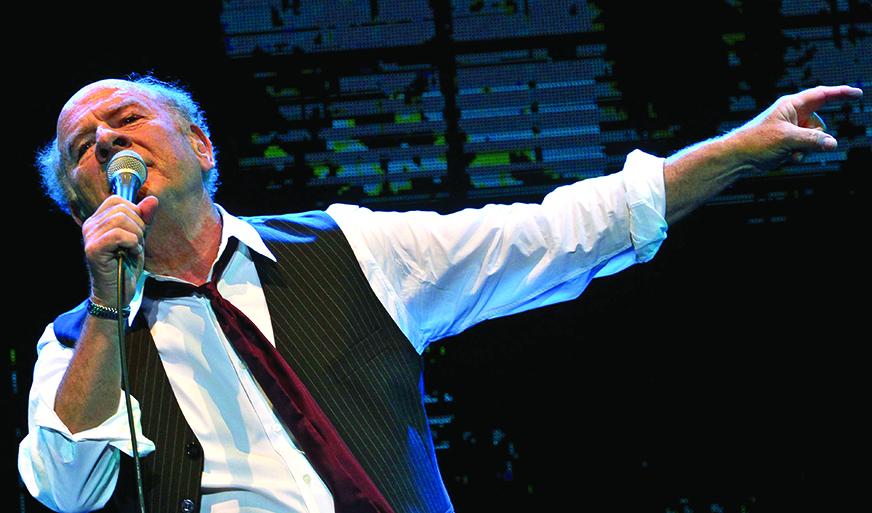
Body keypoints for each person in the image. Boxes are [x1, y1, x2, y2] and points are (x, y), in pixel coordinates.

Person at [17, 75, 863, 513]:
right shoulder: (72, 343)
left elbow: (556, 231)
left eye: (124, 120)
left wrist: (739, 150)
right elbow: (65, 489)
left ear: (201, 146)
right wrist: (107, 306)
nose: (103, 140)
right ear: (81, 203)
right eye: (81, 148)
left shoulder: (348, 246)